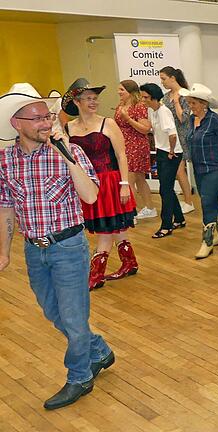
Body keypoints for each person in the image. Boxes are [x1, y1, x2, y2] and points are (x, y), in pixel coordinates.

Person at [0, 83, 115, 410]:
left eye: (47, 115)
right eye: (35, 117)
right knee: (54, 313)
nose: (44, 122)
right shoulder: (5, 161)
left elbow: (90, 196)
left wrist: (65, 155)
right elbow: (5, 207)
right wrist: (4, 251)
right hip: (34, 251)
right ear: (16, 123)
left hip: (68, 247)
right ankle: (99, 350)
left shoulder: (70, 151)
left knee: (74, 318)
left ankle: (79, 376)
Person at [62, 78, 138, 291]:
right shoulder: (68, 128)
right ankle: (129, 262)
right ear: (77, 102)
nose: (94, 102)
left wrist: (124, 184)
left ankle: (96, 274)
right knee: (116, 226)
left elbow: (122, 155)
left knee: (106, 229)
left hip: (110, 182)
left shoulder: (108, 123)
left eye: (95, 98)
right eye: (88, 99)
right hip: (87, 185)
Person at [179, 83, 218, 259]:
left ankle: (207, 242)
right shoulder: (192, 120)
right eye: (189, 103)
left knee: (207, 202)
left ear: (203, 104)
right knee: (212, 200)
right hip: (199, 169)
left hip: (217, 168)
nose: (190, 107)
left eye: (193, 103)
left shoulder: (216, 121)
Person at [139, 83, 185, 238]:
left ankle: (166, 226)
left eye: (145, 97)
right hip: (162, 151)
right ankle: (179, 219)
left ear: (154, 97)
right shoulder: (152, 111)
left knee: (164, 190)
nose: (143, 99)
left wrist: (171, 151)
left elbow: (172, 135)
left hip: (171, 153)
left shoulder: (164, 112)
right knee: (167, 188)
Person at [114, 79, 155, 220]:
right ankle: (149, 208)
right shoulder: (121, 105)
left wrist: (128, 119)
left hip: (136, 144)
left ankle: (133, 212)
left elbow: (145, 128)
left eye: (121, 90)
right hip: (124, 144)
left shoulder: (139, 106)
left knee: (130, 178)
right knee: (138, 178)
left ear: (130, 92)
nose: (118, 92)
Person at [159, 66, 195, 213]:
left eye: (164, 79)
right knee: (178, 170)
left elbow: (183, 118)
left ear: (173, 78)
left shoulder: (185, 95)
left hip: (182, 135)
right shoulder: (165, 97)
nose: (162, 82)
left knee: (180, 170)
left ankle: (189, 201)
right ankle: (186, 200)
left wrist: (176, 102)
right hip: (170, 137)